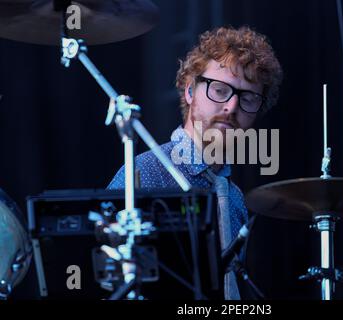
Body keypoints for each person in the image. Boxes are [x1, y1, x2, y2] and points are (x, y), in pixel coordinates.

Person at [108, 26, 283, 299]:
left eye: (248, 98)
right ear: (190, 91)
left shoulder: (235, 198)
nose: (232, 107)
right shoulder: (144, 173)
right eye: (221, 90)